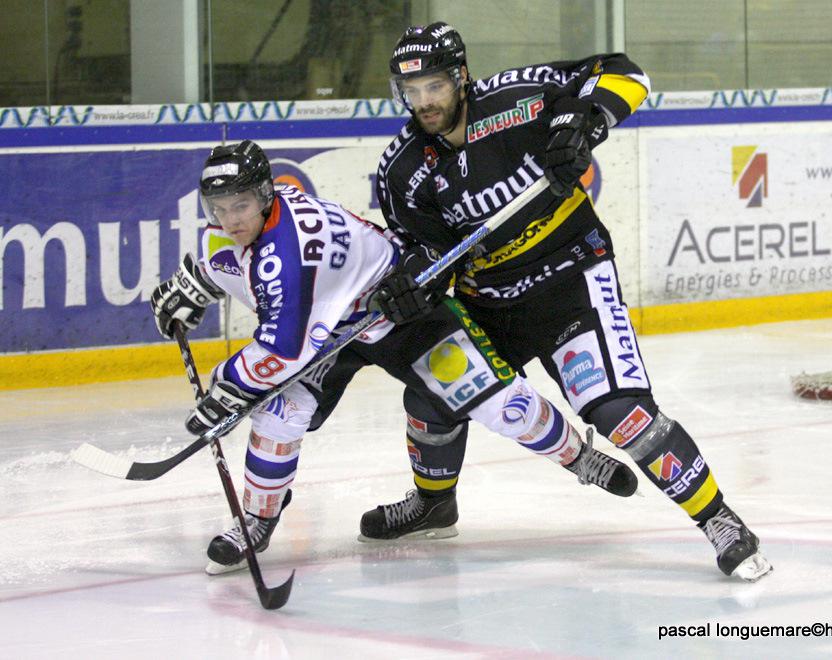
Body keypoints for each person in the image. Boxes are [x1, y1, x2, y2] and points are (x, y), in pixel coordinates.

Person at [365, 23, 772, 582]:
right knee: (430, 394)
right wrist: (415, 280)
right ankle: (434, 504)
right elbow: (427, 251)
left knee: (620, 413)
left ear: (461, 77)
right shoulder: (402, 169)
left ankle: (719, 519)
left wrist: (585, 121)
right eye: (411, 92)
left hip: (571, 281)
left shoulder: (517, 98)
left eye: (434, 86)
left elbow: (625, 73)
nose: (424, 102)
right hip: (488, 303)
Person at [150, 139, 638, 573]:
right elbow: (235, 267)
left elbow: (284, 349)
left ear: (265, 195)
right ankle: (257, 520)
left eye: (241, 205)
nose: (231, 219)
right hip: (333, 323)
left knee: (497, 402)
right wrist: (196, 282)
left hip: (398, 308)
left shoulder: (287, 253)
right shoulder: (252, 226)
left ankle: (579, 458)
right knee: (280, 411)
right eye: (220, 208)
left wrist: (226, 389)